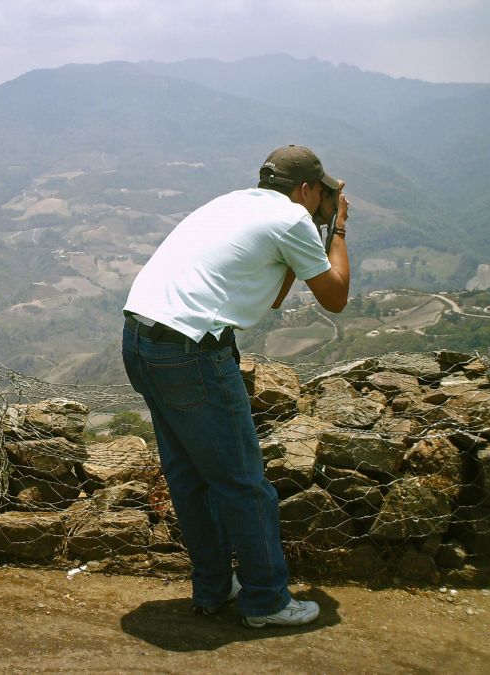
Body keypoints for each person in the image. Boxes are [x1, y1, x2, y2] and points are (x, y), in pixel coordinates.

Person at [121, 145, 349, 628]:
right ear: (308, 189)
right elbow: (335, 297)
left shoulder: (230, 203)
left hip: (140, 340)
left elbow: (271, 294)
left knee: (189, 477)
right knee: (245, 483)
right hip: (191, 354)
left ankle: (212, 588)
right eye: (322, 191)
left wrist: (315, 231)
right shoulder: (292, 220)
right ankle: (267, 601)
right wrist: (338, 228)